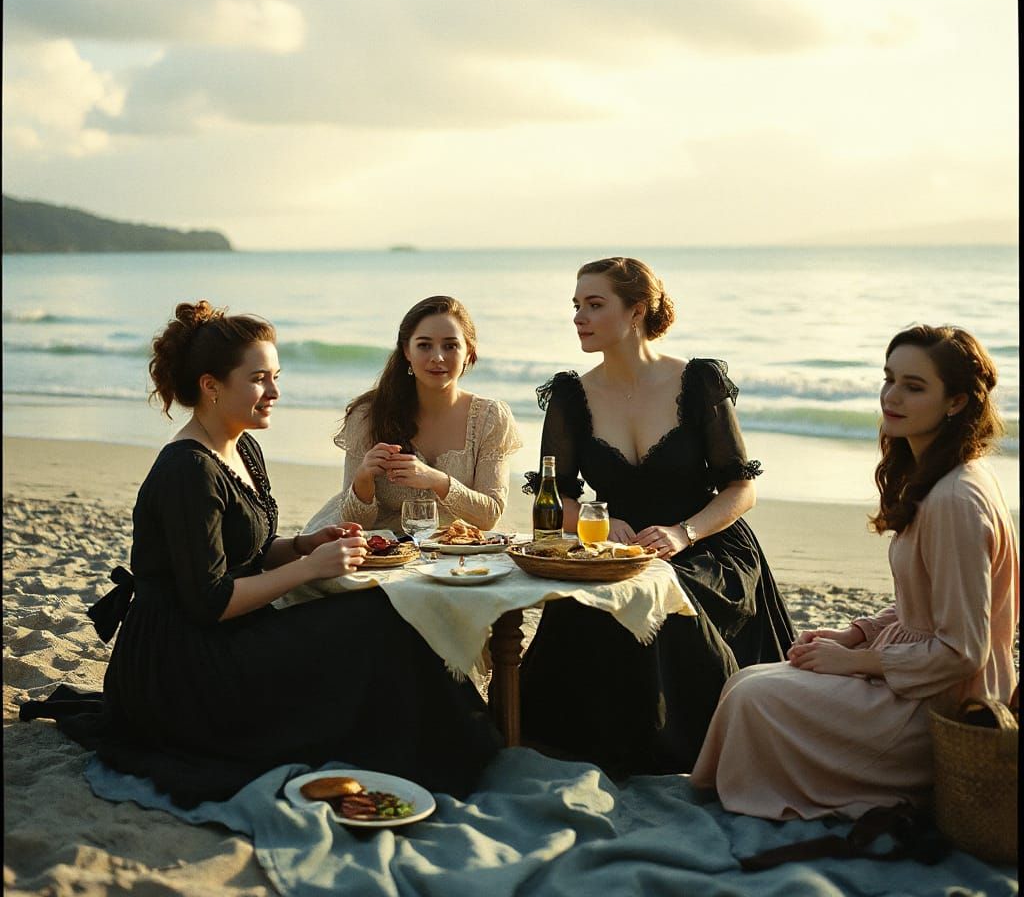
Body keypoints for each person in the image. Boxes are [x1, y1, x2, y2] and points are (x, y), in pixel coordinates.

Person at [20, 301, 501, 807]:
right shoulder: (188, 470)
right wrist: (307, 569)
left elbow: (249, 547)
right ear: (211, 386)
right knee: (372, 622)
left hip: (233, 630)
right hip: (184, 662)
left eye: (276, 376)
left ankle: (454, 745)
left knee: (382, 610)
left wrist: (303, 545)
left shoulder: (242, 447)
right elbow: (211, 600)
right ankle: (444, 752)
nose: (274, 392)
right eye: (259, 380)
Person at [690, 325, 1019, 820]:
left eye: (914, 386)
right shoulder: (942, 476)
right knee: (748, 681)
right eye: (889, 379)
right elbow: (924, 603)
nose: (892, 396)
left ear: (955, 403)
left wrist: (854, 663)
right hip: (911, 672)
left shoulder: (956, 499)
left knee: (754, 697)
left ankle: (761, 793)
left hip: (941, 706)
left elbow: (961, 651)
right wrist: (855, 634)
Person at [519, 257, 795, 777]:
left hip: (706, 545)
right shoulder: (569, 396)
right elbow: (556, 496)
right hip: (612, 549)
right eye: (576, 305)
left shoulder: (697, 382)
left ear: (636, 311)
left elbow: (741, 490)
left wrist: (681, 532)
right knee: (595, 604)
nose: (579, 316)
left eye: (594, 304)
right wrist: (592, 520)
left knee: (663, 601)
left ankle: (679, 752)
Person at [304, 295, 522, 537]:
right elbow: (356, 523)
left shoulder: (490, 418)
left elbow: (489, 516)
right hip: (380, 551)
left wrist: (436, 480)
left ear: (469, 352)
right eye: (424, 345)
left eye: (450, 346)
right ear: (406, 350)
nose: (437, 357)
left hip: (453, 553)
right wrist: (363, 478)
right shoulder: (369, 415)